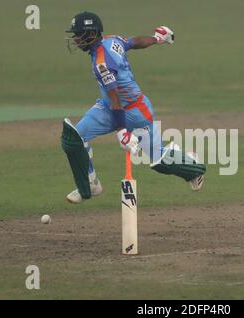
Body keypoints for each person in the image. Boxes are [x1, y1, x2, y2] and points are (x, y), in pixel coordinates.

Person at [61, 12, 206, 204]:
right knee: (74, 139)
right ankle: (90, 183)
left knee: (159, 161)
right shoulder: (111, 41)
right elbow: (134, 42)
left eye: (78, 34)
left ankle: (192, 164)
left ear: (90, 34)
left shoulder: (102, 63)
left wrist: (123, 132)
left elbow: (116, 98)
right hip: (109, 108)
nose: (75, 39)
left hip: (135, 112)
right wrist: (157, 38)